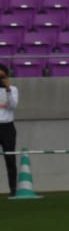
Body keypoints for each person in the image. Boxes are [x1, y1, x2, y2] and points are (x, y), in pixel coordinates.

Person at [0, 63, 17, 195]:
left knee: (10, 159)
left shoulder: (13, 89)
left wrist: (7, 90)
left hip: (7, 127)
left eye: (2, 76)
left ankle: (13, 189)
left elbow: (13, 105)